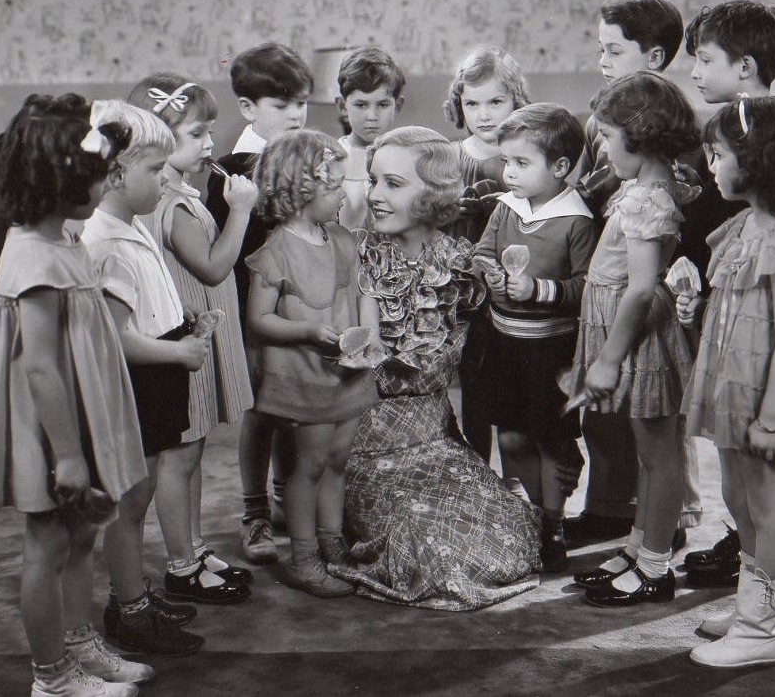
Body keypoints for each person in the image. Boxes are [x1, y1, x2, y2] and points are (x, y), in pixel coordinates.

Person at [0, 93, 150, 697]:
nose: (106, 189)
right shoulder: (33, 255)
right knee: (47, 543)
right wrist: (70, 456)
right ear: (61, 183)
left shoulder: (62, 236)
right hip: (53, 426)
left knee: (81, 535)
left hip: (78, 412)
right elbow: (43, 369)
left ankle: (77, 646)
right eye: (100, 179)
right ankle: (50, 679)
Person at [330, 126, 542, 610]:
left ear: (436, 193)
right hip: (363, 445)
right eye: (374, 180)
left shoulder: (463, 264)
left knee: (504, 529)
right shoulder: (351, 254)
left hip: (435, 439)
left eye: (394, 184)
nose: (376, 196)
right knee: (427, 543)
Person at [82, 103, 248, 646]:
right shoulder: (103, 240)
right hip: (141, 378)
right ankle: (129, 610)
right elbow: (115, 338)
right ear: (115, 174)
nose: (163, 178)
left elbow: (147, 301)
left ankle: (134, 594)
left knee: (144, 492)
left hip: (158, 368)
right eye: (154, 170)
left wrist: (184, 321)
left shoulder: (129, 226)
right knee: (129, 505)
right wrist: (177, 354)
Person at [680, 96, 775, 668]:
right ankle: (756, 602)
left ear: (759, 160)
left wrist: (771, 419)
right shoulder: (745, 225)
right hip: (735, 383)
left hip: (766, 395)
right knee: (736, 497)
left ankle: (763, 628)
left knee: (768, 506)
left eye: (718, 155)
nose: (710, 165)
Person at [563, 0, 706, 550]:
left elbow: (645, 277)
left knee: (658, 443)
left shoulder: (652, 178)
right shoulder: (633, 162)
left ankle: (658, 540)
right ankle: (633, 531)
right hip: (617, 311)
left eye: (613, 50)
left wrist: (608, 355)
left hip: (634, 320)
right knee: (629, 434)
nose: (602, 59)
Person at [679, 0, 775, 588]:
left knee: (759, 486)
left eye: (704, 60)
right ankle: (748, 575)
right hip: (725, 307)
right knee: (736, 476)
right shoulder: (730, 131)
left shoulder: (756, 131)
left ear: (745, 65)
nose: (695, 72)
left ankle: (764, 607)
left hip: (754, 326)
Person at [128, 73, 258, 591]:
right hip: (184, 342)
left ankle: (196, 550)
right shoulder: (172, 203)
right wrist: (241, 211)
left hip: (195, 337)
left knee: (192, 448)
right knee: (181, 455)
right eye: (197, 134)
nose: (209, 144)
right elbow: (213, 268)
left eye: (210, 133)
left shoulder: (177, 191)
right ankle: (182, 566)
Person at [245, 130, 380, 597]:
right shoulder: (276, 250)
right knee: (310, 464)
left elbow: (363, 292)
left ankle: (332, 542)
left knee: (338, 460)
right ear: (302, 191)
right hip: (305, 378)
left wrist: (372, 335)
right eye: (335, 186)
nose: (345, 193)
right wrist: (305, 330)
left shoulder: (341, 238)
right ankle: (303, 557)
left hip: (347, 372)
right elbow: (258, 320)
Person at [472, 103, 598, 573]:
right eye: (506, 161)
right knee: (511, 433)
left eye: (522, 164)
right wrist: (492, 278)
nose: (509, 173)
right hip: (506, 344)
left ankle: (552, 522)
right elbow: (483, 254)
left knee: (549, 437)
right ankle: (527, 513)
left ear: (560, 167)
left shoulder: (576, 220)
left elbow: (588, 286)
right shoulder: (506, 209)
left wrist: (538, 290)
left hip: (550, 351)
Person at [204, 42, 313, 565]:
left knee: (297, 406)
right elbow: (223, 248)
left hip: (303, 308)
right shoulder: (230, 170)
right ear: (248, 108)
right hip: (252, 310)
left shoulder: (311, 153)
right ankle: (254, 513)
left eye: (301, 104)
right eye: (281, 104)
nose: (295, 114)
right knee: (263, 412)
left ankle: (286, 498)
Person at [443, 46, 532, 465]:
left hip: (514, 289)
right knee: (473, 387)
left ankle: (514, 479)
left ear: (517, 101)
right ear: (459, 105)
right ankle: (478, 473)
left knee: (514, 389)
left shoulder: (528, 157)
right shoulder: (449, 157)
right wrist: (449, 211)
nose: (484, 114)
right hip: (465, 290)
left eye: (496, 101)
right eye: (472, 103)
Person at [333, 46, 406, 229]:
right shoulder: (330, 158)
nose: (371, 116)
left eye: (382, 105)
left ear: (397, 106)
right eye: (361, 105)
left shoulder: (406, 158)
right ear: (343, 106)